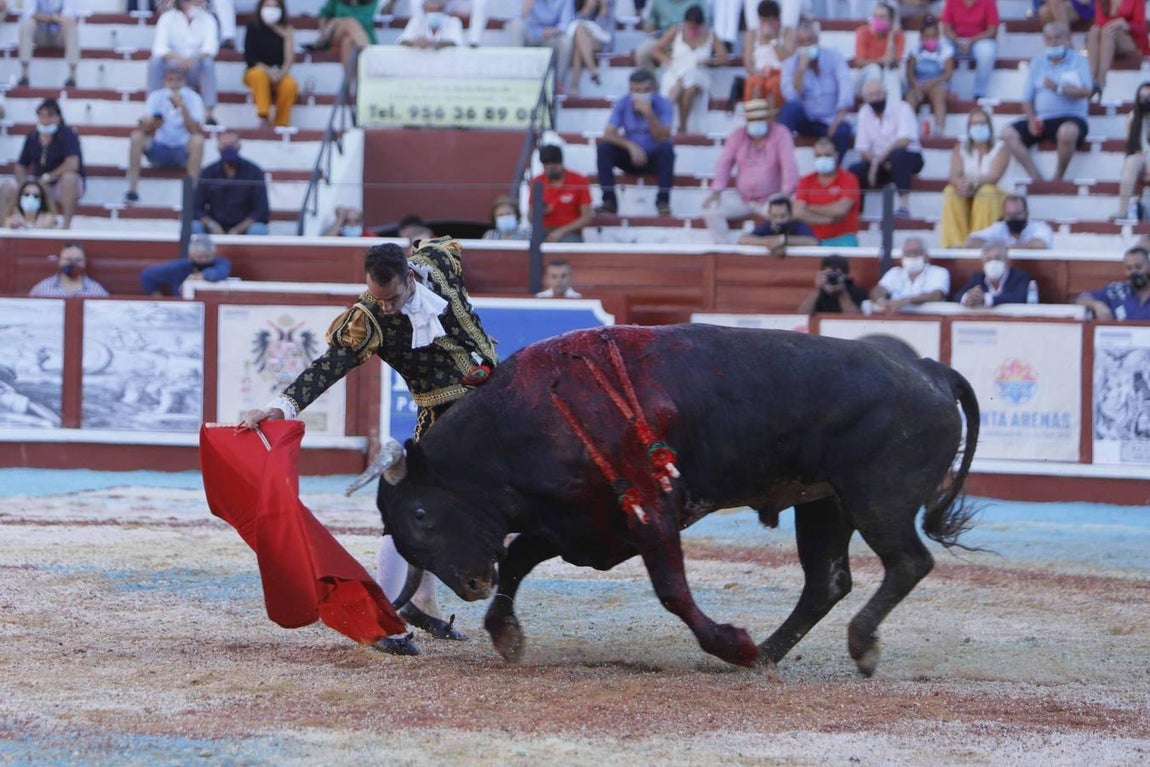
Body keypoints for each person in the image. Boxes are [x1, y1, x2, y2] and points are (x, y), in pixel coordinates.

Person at [239, 238, 500, 652]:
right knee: (413, 510)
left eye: (393, 298)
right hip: (442, 419)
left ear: (410, 276)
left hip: (488, 406)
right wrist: (281, 406)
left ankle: (422, 602)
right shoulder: (369, 318)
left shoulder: (437, 263)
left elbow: (450, 261)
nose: (387, 307)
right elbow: (328, 368)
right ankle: (386, 618)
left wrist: (484, 362)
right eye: (379, 298)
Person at [1000, 22, 1091, 182]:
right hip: (1042, 119)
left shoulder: (1079, 61)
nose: (1053, 42)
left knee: (1067, 132)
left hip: (1071, 117)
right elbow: (1027, 99)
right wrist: (1030, 120)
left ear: (1066, 38)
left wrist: (1059, 88)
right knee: (1007, 133)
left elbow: (1087, 91)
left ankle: (1058, 177)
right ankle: (1036, 177)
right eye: (1049, 38)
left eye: (1057, 37)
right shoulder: (1038, 62)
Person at [702, 98, 797, 243]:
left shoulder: (781, 134)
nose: (756, 123)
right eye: (752, 120)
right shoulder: (737, 135)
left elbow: (789, 165)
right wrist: (717, 190)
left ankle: (778, 247)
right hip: (743, 198)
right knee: (711, 208)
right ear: (746, 121)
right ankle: (725, 249)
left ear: (768, 118)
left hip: (771, 198)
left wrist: (785, 194)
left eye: (760, 119)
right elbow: (724, 163)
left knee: (785, 212)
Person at [595, 69, 676, 217]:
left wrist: (649, 113)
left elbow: (663, 136)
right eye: (637, 90)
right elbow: (608, 134)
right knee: (604, 149)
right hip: (631, 157)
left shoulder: (664, 104)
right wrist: (630, 146)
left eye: (645, 90)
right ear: (631, 90)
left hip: (654, 158)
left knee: (667, 149)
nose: (641, 93)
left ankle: (663, 202)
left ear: (652, 89)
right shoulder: (623, 103)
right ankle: (609, 202)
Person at [126, 64, 206, 203]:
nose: (174, 83)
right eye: (171, 80)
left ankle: (192, 194)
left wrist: (182, 107)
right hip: (160, 149)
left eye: (178, 79)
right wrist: (151, 123)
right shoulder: (156, 96)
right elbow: (146, 128)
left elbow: (194, 130)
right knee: (136, 137)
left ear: (184, 81)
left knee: (198, 140)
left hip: (183, 151)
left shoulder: (194, 98)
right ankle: (132, 190)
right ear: (165, 81)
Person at [0, 98, 84, 230]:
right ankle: (4, 228)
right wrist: (24, 184)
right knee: (7, 187)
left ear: (58, 117)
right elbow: (21, 165)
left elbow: (72, 164)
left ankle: (66, 227)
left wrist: (49, 176)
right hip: (37, 183)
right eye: (42, 115)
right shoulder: (32, 137)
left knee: (70, 179)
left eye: (50, 116)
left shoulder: (68, 135)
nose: (45, 120)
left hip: (57, 183)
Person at [779, 19, 855, 162]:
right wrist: (800, 70)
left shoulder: (834, 56)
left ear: (817, 40)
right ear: (796, 44)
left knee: (843, 130)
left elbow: (846, 85)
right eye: (802, 42)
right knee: (789, 109)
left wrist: (838, 119)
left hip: (830, 120)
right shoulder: (790, 64)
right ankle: (783, 159)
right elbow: (791, 96)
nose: (807, 45)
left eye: (810, 40)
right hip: (806, 119)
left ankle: (835, 171)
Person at [848, 80, 924, 219]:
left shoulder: (902, 108)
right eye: (871, 95)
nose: (876, 98)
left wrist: (877, 162)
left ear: (885, 94)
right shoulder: (864, 112)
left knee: (898, 155)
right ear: (865, 99)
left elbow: (904, 141)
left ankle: (903, 205)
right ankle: (857, 214)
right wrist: (878, 162)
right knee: (855, 170)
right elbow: (863, 148)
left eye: (878, 94)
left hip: (908, 158)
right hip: (880, 163)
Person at [650, 5, 729, 134]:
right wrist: (668, 61)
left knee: (690, 89)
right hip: (676, 71)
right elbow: (656, 50)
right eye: (690, 26)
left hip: (699, 72)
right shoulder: (677, 30)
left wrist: (710, 61)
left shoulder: (710, 34)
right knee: (677, 87)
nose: (692, 29)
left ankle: (682, 126)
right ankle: (664, 123)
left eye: (696, 27)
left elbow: (724, 58)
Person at [940, 106, 1009, 247]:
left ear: (989, 126)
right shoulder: (961, 147)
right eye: (974, 124)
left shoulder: (1001, 147)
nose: (978, 127)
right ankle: (956, 244)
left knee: (986, 191)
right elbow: (953, 175)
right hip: (968, 192)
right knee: (950, 191)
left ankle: (980, 243)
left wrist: (972, 183)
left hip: (997, 196)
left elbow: (994, 177)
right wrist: (960, 183)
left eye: (982, 123)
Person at [148, 0, 220, 127]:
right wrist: (179, 59)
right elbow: (159, 48)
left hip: (195, 65)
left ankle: (209, 114)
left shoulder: (208, 19)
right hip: (172, 64)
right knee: (155, 62)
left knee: (207, 64)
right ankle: (153, 111)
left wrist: (193, 58)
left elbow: (210, 48)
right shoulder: (167, 18)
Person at [193, 132, 270, 236]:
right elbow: (197, 208)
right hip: (214, 226)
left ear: (239, 146)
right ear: (218, 147)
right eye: (224, 145)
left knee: (259, 230)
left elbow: (261, 210)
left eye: (232, 144)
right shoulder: (208, 172)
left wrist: (237, 230)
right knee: (194, 226)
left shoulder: (254, 172)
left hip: (244, 227)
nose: (228, 148)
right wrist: (212, 225)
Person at [793, 136, 861, 246]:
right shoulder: (806, 181)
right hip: (813, 240)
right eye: (819, 156)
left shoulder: (849, 179)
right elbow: (798, 212)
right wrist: (829, 220)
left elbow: (840, 210)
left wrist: (809, 207)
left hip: (843, 239)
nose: (823, 159)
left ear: (836, 155)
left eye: (827, 155)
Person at [243, 0, 299, 128]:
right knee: (258, 75)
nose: (271, 10)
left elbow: (289, 60)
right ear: (261, 7)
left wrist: (287, 37)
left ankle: (281, 123)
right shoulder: (253, 27)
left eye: (275, 7)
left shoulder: (286, 30)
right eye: (268, 6)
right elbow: (250, 59)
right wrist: (268, 71)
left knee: (290, 84)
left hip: (278, 74)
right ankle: (264, 116)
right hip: (256, 72)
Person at [1086, 0, 1149, 101]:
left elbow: (1142, 27)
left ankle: (1101, 79)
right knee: (1094, 30)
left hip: (1131, 40)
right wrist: (1114, 23)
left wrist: (1125, 24)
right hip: (1107, 40)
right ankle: (1090, 79)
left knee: (1108, 32)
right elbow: (1099, 23)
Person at [870, 237, 951, 312]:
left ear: (926, 256)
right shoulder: (894, 273)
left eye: (917, 252)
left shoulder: (938, 272)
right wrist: (881, 301)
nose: (912, 256)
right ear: (902, 257)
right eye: (908, 253)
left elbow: (937, 295)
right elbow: (878, 290)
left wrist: (907, 301)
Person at [531, 144, 593, 242]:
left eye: (553, 166)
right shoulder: (537, 182)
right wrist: (540, 211)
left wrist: (562, 231)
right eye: (546, 166)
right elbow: (530, 216)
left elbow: (586, 217)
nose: (549, 169)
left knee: (569, 244)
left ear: (560, 163)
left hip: (570, 231)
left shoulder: (579, 181)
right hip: (543, 230)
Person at [905, 16, 956, 136]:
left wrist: (932, 82)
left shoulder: (945, 50)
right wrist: (916, 84)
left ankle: (939, 131)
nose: (930, 39)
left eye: (934, 36)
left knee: (939, 95)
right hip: (920, 83)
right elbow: (910, 73)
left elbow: (948, 74)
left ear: (938, 36)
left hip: (938, 82)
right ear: (921, 37)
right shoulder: (915, 51)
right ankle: (908, 131)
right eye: (927, 37)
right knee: (910, 98)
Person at [940, 0, 999, 101]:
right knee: (943, 47)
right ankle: (944, 90)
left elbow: (992, 31)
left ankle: (979, 92)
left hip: (979, 40)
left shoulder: (988, 1)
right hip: (956, 40)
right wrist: (957, 40)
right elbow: (946, 29)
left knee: (987, 51)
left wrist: (971, 41)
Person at [507, 0, 574, 86]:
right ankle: (516, 74)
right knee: (516, 25)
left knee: (566, 42)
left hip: (551, 36)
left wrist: (552, 31)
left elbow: (565, 24)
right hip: (531, 34)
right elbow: (519, 16)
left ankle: (558, 84)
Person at [141, 234, 230, 296]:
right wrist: (158, 301)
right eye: (199, 257)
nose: (204, 261)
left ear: (214, 254)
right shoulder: (178, 268)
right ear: (191, 256)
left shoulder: (221, 263)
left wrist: (197, 277)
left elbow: (220, 272)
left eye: (207, 257)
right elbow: (147, 275)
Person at [17, 0, 80, 89]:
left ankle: (72, 77)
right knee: (26, 24)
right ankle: (24, 75)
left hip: (59, 36)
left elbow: (68, 15)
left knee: (71, 25)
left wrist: (49, 18)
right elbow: (29, 13)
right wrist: (50, 18)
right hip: (40, 35)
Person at [1076, 246, 1150, 320]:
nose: (1134, 272)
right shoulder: (1116, 291)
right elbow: (1081, 298)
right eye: (1129, 268)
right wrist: (1096, 305)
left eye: (1138, 267)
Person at [635, 0, 710, 71]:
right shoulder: (658, 1)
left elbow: (705, 23)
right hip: (664, 39)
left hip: (690, 39)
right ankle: (650, 82)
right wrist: (649, 26)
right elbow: (651, 22)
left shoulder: (698, 1)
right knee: (642, 52)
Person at [741, 0, 791, 103]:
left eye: (771, 21)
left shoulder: (787, 32)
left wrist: (773, 40)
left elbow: (786, 59)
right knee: (754, 84)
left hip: (780, 73)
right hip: (759, 73)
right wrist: (757, 73)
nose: (767, 24)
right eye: (764, 21)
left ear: (778, 19)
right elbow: (748, 63)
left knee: (774, 84)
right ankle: (756, 116)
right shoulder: (752, 34)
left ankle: (773, 117)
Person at [955, 241, 1033, 306]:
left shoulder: (1019, 276)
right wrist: (968, 297)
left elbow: (1019, 298)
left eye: (997, 258)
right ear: (983, 263)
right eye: (988, 259)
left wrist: (986, 299)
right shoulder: (978, 277)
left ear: (1006, 260)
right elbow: (958, 296)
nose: (993, 262)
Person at [735, 194, 817, 254]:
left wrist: (783, 240)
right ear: (769, 215)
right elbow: (742, 240)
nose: (778, 220)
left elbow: (813, 241)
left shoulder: (797, 225)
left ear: (790, 215)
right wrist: (766, 242)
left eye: (782, 216)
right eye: (774, 216)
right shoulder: (768, 226)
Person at [964, 193, 1054, 248]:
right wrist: (999, 247)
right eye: (1010, 215)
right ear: (1004, 215)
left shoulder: (1040, 227)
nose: (1014, 218)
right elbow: (970, 242)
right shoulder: (999, 228)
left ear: (1026, 213)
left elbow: (1039, 244)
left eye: (1017, 214)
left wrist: (1009, 248)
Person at [1115, 82, 1150, 221]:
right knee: (1130, 162)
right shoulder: (1133, 117)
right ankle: (1123, 211)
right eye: (1142, 97)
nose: (1146, 100)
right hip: (1140, 155)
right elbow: (1132, 147)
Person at [853, 2, 904, 96]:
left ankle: (892, 109)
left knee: (891, 73)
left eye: (882, 17)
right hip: (864, 80)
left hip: (886, 79)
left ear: (891, 21)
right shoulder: (863, 31)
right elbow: (859, 62)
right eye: (875, 16)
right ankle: (874, 103)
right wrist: (881, 61)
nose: (877, 20)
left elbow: (892, 63)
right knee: (874, 69)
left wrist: (891, 37)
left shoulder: (897, 35)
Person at [310, 0, 377, 70]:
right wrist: (324, 32)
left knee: (347, 41)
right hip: (339, 32)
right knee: (350, 24)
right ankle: (372, 62)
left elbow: (364, 20)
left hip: (362, 34)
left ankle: (349, 79)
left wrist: (336, 21)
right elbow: (323, 14)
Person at [28, 243, 110, 299]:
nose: (73, 264)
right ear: (59, 261)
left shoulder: (97, 292)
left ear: (84, 263)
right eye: (68, 259)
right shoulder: (42, 289)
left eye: (78, 260)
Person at [566, 0, 612, 95]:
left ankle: (574, 84)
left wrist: (603, 8)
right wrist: (587, 8)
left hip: (601, 41)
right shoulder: (575, 3)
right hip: (582, 39)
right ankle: (592, 71)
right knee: (579, 33)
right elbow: (572, 22)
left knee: (580, 38)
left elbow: (605, 31)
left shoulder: (609, 3)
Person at [796, 254, 869, 314]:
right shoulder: (819, 292)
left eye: (837, 275)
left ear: (846, 276)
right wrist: (817, 290)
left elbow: (855, 319)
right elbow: (802, 316)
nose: (833, 278)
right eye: (829, 274)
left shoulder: (858, 291)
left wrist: (842, 295)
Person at [399, 0, 465, 48]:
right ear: (424, 11)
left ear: (443, 10)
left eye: (438, 10)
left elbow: (455, 42)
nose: (435, 13)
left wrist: (433, 44)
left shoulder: (453, 21)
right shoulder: (416, 21)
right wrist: (415, 42)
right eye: (431, 10)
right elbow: (402, 41)